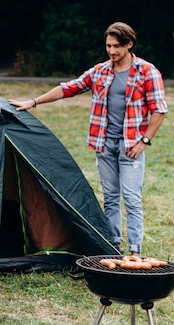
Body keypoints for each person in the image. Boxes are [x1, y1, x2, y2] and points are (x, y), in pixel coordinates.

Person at [9, 22, 167, 257]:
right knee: (110, 198)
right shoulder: (101, 71)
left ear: (129, 44)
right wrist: (33, 102)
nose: (111, 51)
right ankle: (112, 247)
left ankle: (135, 251)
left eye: (116, 46)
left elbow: (159, 110)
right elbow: (68, 88)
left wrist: (143, 141)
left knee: (132, 199)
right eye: (108, 46)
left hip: (131, 146)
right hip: (104, 145)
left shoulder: (146, 72)